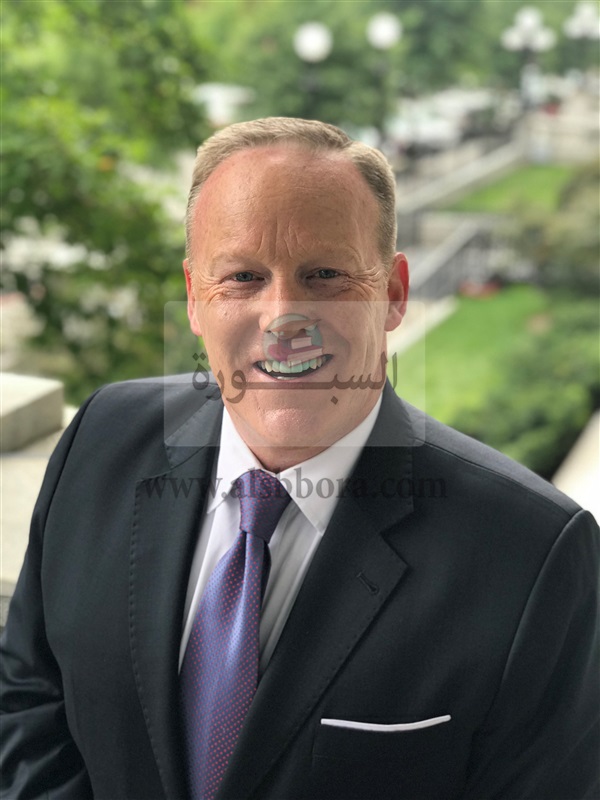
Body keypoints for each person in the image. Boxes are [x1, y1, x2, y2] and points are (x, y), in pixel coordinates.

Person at [1, 117, 598, 800]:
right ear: (194, 297)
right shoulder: (100, 439)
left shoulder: (533, 555)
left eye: (325, 275)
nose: (284, 317)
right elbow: (31, 697)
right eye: (243, 276)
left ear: (394, 293)